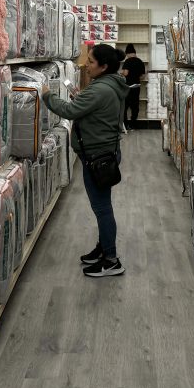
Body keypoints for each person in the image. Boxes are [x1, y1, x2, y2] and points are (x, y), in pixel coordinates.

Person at [41, 44, 129, 277]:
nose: (86, 65)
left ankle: (111, 260)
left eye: (90, 61)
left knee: (102, 208)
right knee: (103, 206)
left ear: (104, 66)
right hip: (104, 152)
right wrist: (82, 99)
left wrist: (46, 95)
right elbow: (92, 109)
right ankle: (104, 248)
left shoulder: (99, 90)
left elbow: (69, 111)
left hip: (97, 156)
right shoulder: (109, 85)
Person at [120, 44, 146, 130]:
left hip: (128, 87)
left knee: (124, 106)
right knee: (135, 107)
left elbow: (126, 73)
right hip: (137, 86)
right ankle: (133, 125)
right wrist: (136, 77)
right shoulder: (140, 61)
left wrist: (122, 72)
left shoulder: (127, 61)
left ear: (127, 53)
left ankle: (125, 125)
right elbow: (142, 77)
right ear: (135, 52)